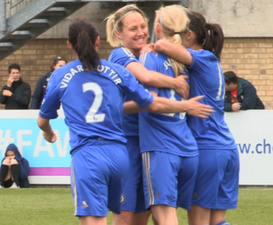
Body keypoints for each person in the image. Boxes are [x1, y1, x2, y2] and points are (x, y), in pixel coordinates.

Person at [37, 16, 212, 225]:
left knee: (97, 218)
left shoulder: (61, 75)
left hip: (88, 154)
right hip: (120, 156)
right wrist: (182, 100)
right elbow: (149, 101)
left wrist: (48, 133)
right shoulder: (118, 70)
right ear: (98, 41)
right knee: (142, 214)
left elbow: (42, 120)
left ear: (69, 44)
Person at [105, 4, 190, 225]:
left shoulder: (150, 54)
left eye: (143, 26)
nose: (141, 32)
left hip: (149, 145)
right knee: (124, 215)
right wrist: (174, 84)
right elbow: (146, 79)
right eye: (133, 29)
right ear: (118, 33)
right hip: (126, 144)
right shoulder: (119, 54)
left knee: (144, 215)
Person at [153, 10, 240, 225]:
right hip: (224, 147)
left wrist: (155, 45)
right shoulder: (210, 62)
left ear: (189, 34)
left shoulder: (202, 58)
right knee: (216, 221)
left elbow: (163, 46)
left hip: (207, 148)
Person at [137, 5, 201, 225]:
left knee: (165, 217)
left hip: (161, 147)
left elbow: (150, 102)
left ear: (157, 27)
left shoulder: (150, 58)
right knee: (163, 216)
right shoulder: (189, 60)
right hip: (188, 149)